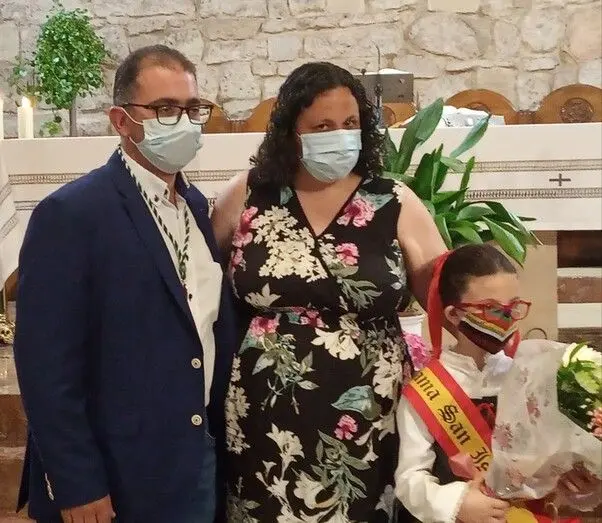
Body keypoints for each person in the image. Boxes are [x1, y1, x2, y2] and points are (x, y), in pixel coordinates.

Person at [211, 62, 446, 521]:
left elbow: (447, 298)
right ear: (291, 132)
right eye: (322, 126)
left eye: (350, 123)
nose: (339, 135)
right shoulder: (248, 194)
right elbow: (202, 285)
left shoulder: (393, 200)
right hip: (265, 415)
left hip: (369, 414)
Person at [14, 45, 235, 523]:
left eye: (192, 109)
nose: (184, 122)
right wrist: (77, 483)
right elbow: (46, 366)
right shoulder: (72, 214)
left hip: (194, 457)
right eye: (165, 109)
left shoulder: (197, 208)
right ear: (121, 120)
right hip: (117, 473)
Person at [394, 243, 599, 523]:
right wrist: (457, 504)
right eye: (491, 309)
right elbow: (410, 478)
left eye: (514, 307)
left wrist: (582, 490)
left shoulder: (534, 373)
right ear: (454, 315)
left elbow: (561, 471)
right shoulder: (426, 389)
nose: (506, 319)